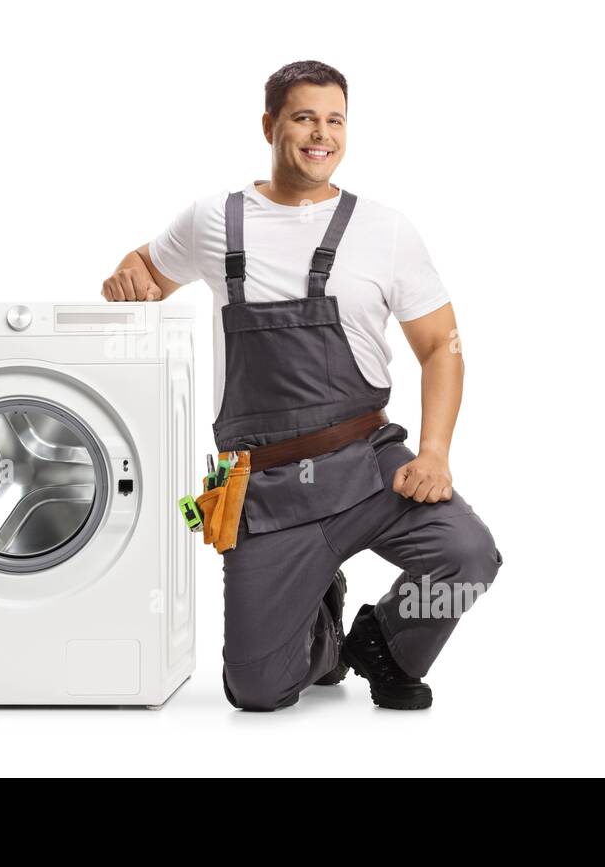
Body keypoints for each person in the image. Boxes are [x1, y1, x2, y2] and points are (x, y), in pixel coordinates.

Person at [101, 60, 502, 711]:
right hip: (261, 490)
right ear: (270, 125)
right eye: (304, 117)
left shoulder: (385, 229)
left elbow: (441, 347)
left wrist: (433, 454)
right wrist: (127, 275)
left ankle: (385, 642)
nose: (322, 133)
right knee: (257, 692)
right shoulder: (215, 220)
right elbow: (145, 265)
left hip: (368, 469)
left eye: (335, 119)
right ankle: (323, 621)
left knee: (469, 556)